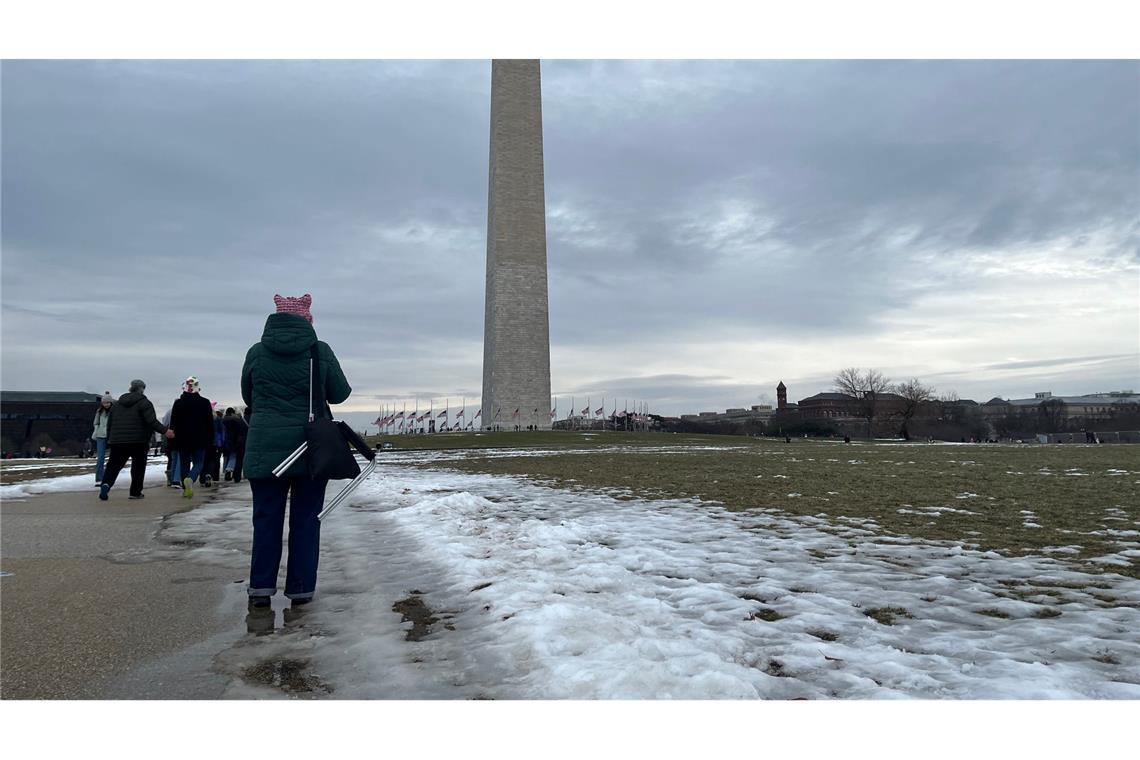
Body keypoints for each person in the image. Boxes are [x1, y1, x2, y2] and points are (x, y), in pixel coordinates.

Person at [241, 294, 351, 608]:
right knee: (306, 520)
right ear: (308, 321)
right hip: (310, 449)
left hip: (264, 447)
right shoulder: (320, 351)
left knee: (265, 520)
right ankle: (301, 589)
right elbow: (340, 394)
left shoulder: (256, 352)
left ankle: (260, 589)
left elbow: (247, 394)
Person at [100, 380, 174, 500]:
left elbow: (110, 423)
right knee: (138, 467)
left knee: (113, 465)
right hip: (138, 441)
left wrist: (110, 438)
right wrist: (166, 431)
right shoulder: (144, 403)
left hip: (118, 441)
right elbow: (151, 421)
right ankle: (135, 492)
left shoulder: (117, 404)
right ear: (142, 389)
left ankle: (106, 484)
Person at [170, 376, 214, 498]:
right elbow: (210, 423)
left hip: (182, 438)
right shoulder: (205, 402)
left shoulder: (178, 403)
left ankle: (185, 489)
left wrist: (173, 438)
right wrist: (211, 438)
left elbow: (173, 422)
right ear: (198, 388)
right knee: (199, 462)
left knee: (184, 463)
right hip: (200, 438)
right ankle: (191, 478)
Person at [91, 392, 113, 486]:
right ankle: (99, 479)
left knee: (113, 459)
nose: (106, 404)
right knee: (100, 458)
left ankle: (109, 478)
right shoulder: (99, 411)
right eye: (104, 402)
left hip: (111, 436)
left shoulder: (114, 411)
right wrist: (96, 430)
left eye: (108, 402)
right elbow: (95, 422)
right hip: (100, 436)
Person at [222, 406, 248, 481]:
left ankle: (226, 471)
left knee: (226, 457)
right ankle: (229, 470)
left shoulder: (222, 420)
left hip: (223, 441)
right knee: (234, 456)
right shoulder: (237, 420)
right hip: (234, 441)